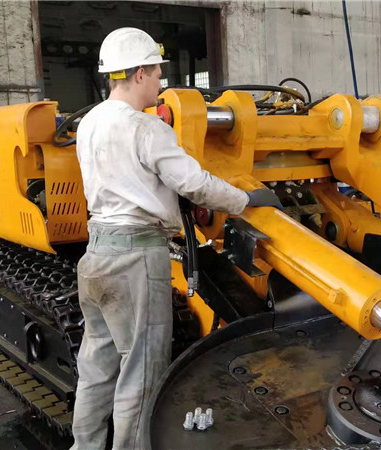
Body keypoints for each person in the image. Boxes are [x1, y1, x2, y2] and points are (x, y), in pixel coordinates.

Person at [71, 27, 281, 449]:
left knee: (96, 367)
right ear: (138, 74)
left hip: (96, 255)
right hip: (134, 260)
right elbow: (195, 184)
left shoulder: (90, 122)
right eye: (156, 72)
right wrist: (245, 199)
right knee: (142, 373)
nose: (160, 82)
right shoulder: (145, 128)